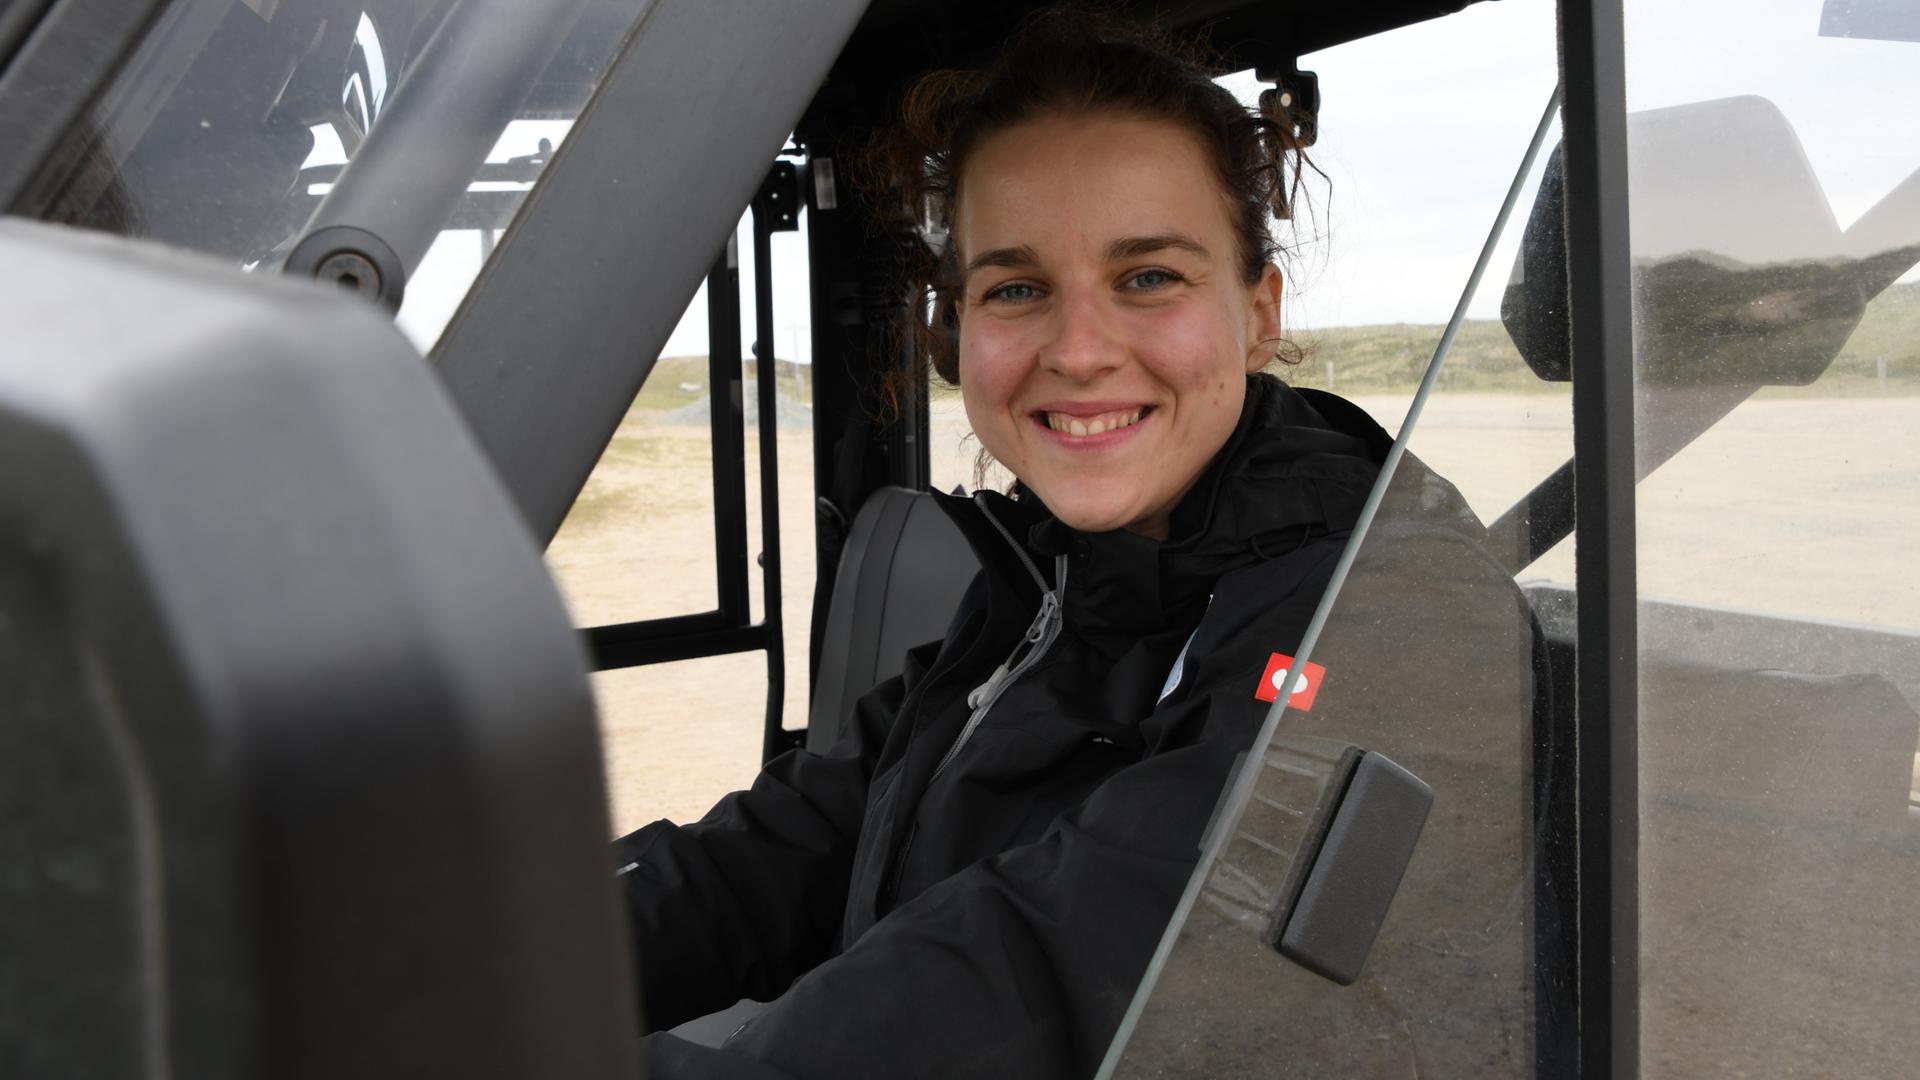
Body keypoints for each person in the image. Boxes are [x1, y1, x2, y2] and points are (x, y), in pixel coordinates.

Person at [618, 8, 1535, 1077]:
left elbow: (1062, 976)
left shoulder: (1387, 617)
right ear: (961, 332)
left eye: (1148, 276)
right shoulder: (1058, 575)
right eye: (1017, 289)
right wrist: (499, 962)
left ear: (1257, 312)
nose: (1082, 350)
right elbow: (808, 836)